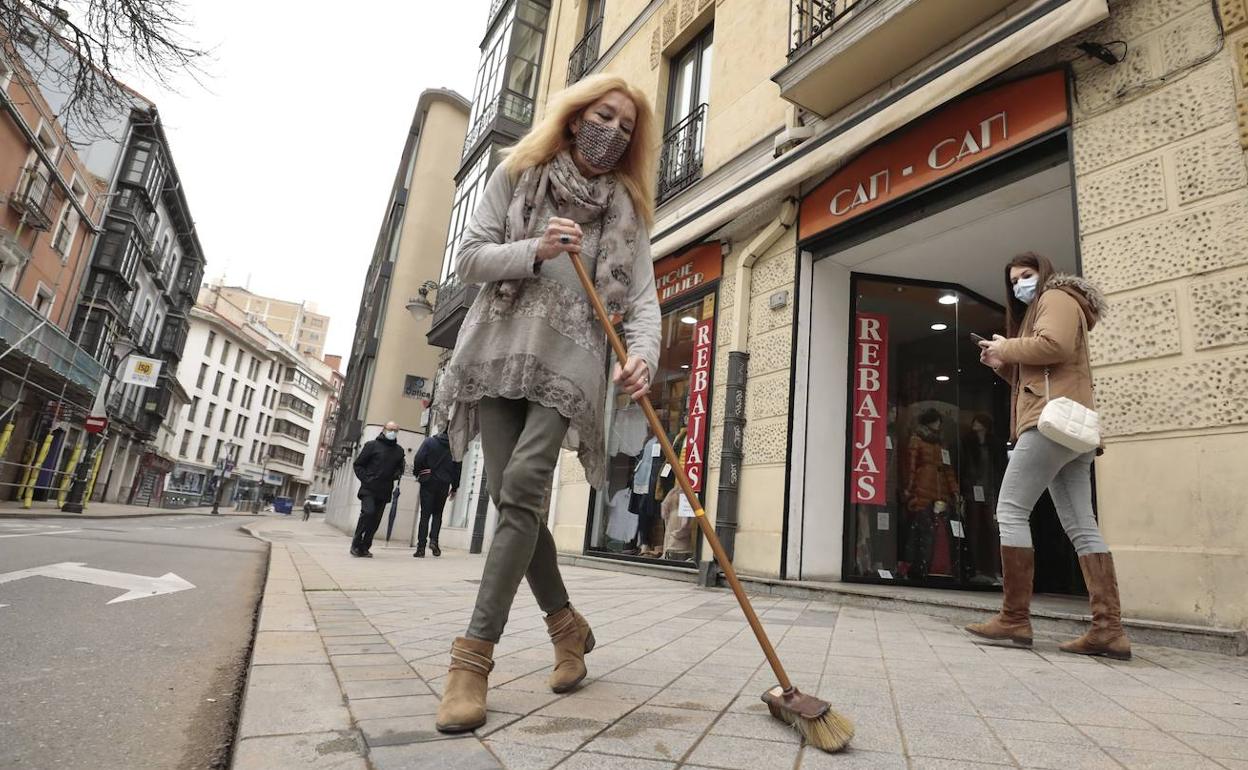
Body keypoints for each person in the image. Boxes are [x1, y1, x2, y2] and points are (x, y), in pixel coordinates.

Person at [430, 73, 661, 734]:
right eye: (604, 115)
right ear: (575, 115)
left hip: (573, 364)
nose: (613, 130)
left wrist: (641, 355)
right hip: (498, 352)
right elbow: (470, 259)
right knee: (514, 501)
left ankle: (471, 660)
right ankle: (567, 627)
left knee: (525, 482)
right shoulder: (518, 173)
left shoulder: (628, 211)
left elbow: (642, 305)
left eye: (626, 126)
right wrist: (536, 249)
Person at [966, 252, 1130, 659]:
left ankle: (1014, 618)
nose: (1021, 283)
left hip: (1049, 424)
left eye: (1027, 274)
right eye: (1014, 279)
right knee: (1081, 523)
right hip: (1070, 427)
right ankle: (1108, 629)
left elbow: (1052, 345)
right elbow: (1042, 373)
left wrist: (1009, 345)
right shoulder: (1053, 305)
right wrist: (1002, 363)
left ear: (1044, 274)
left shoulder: (1055, 297)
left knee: (1010, 510)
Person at [350, 421, 406, 558]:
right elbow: (358, 465)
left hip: (384, 490)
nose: (392, 432)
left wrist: (397, 473)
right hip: (369, 489)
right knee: (368, 513)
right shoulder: (371, 446)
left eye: (395, 430)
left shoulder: (399, 451)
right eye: (390, 429)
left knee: (375, 520)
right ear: (384, 430)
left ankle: (365, 547)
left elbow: (400, 467)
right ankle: (356, 544)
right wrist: (366, 479)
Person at [412, 429, 462, 558]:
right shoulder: (454, 447)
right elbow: (458, 467)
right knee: (438, 514)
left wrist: (418, 473)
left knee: (425, 515)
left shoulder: (430, 442)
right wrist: (455, 487)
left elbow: (418, 458)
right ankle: (434, 541)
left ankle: (421, 548)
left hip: (428, 481)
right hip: (444, 484)